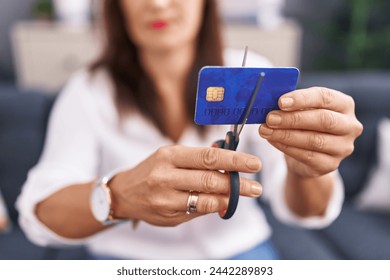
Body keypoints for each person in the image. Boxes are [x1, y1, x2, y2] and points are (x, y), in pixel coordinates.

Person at [16, 0, 362, 259]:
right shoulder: (87, 92)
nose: (158, 4)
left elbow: (307, 211)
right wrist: (119, 196)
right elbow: (40, 212)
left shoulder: (255, 74)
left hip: (240, 254)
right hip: (128, 260)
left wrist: (307, 169)